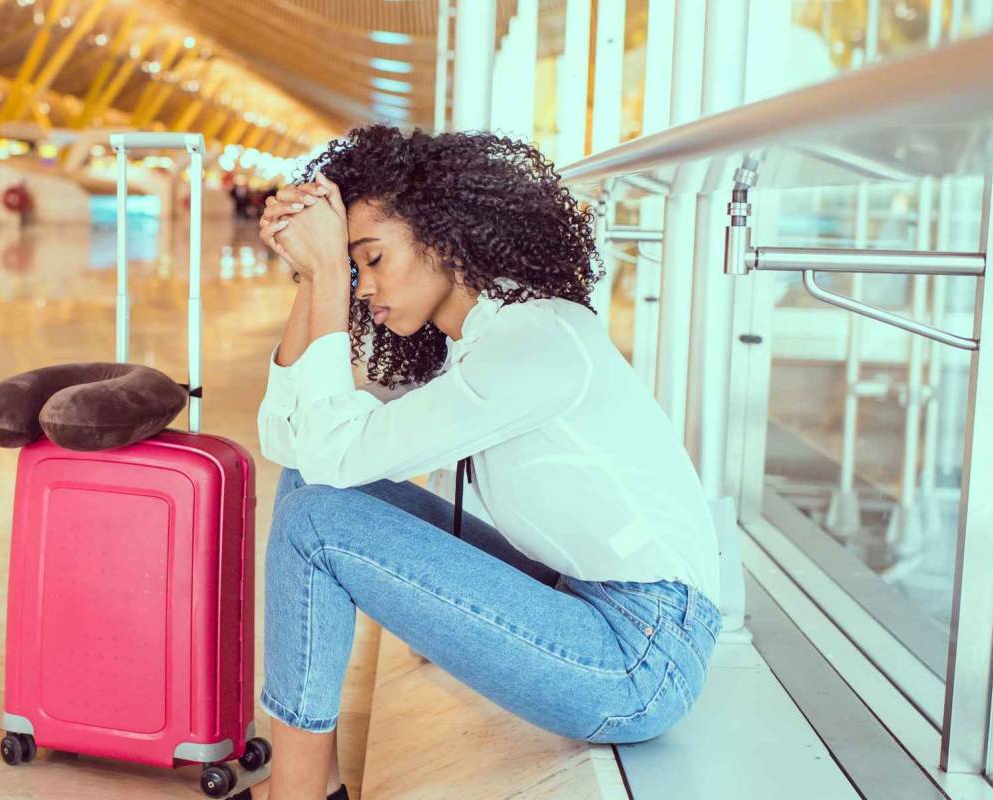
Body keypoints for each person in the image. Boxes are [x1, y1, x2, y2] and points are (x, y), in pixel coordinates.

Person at [255, 125, 722, 800]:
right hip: (581, 602)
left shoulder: (535, 342)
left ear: (444, 240)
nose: (362, 288)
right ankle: (311, 785)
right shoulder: (476, 340)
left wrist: (328, 268)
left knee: (317, 519)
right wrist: (310, 276)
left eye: (372, 259)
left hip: (639, 659)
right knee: (310, 485)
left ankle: (294, 795)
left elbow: (334, 450)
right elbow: (293, 443)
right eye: (354, 269)